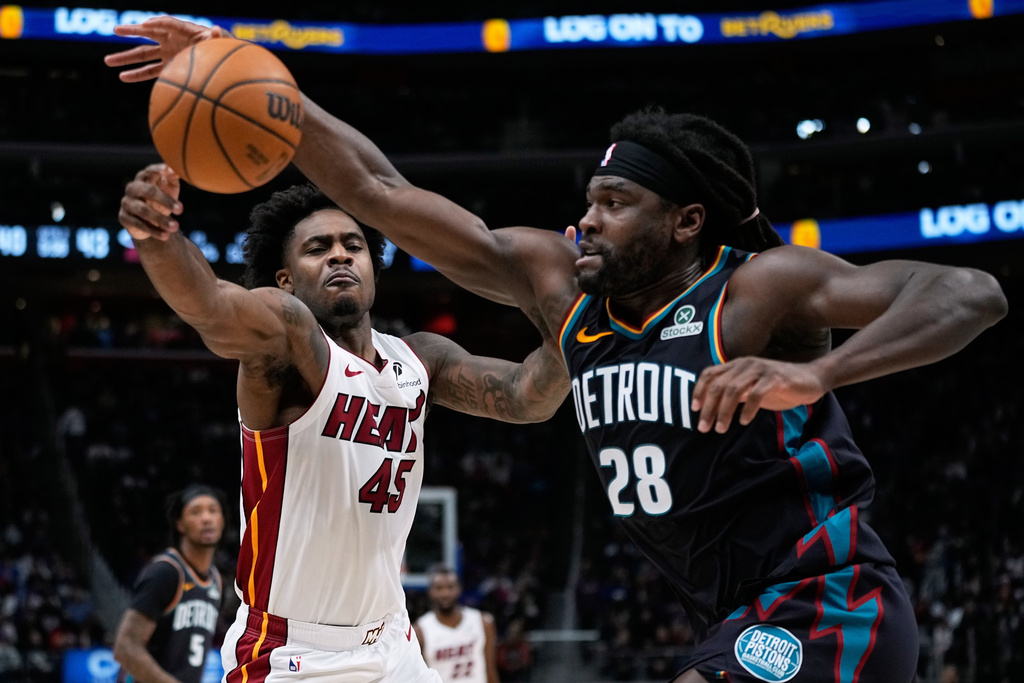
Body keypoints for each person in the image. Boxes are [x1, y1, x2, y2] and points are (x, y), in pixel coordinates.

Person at [106, 19, 1008, 682]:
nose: (587, 217)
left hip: (829, 598)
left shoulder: (758, 288)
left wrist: (820, 370)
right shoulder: (561, 286)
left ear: (685, 222)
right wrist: (270, 93)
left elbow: (969, 291)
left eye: (616, 202)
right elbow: (381, 189)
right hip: (726, 613)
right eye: (589, 196)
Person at [112, 167, 567, 683]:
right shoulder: (289, 342)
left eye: (354, 244)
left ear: (373, 266)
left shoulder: (422, 358)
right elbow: (212, 307)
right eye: (317, 248)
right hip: (294, 652)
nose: (340, 254)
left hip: (393, 641)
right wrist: (159, 237)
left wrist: (569, 317)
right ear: (285, 279)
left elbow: (529, 396)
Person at [113, 485, 225, 683]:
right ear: (179, 524)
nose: (207, 518)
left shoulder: (215, 580)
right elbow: (126, 648)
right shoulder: (166, 572)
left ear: (222, 520)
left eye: (213, 510)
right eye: (196, 512)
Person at [414, 566, 499, 683]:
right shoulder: (420, 631)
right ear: (430, 591)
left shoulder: (483, 622)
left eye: (450, 587)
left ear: (459, 589)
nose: (445, 593)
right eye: (439, 588)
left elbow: (490, 669)